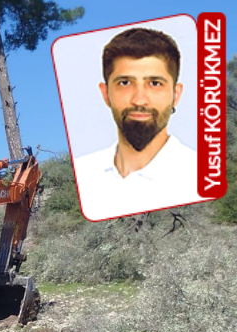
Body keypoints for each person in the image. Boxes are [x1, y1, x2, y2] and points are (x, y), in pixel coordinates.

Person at [71, 27, 203, 221]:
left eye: (155, 83)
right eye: (125, 83)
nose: (139, 100)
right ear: (106, 93)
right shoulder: (84, 174)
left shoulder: (198, 173)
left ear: (176, 95)